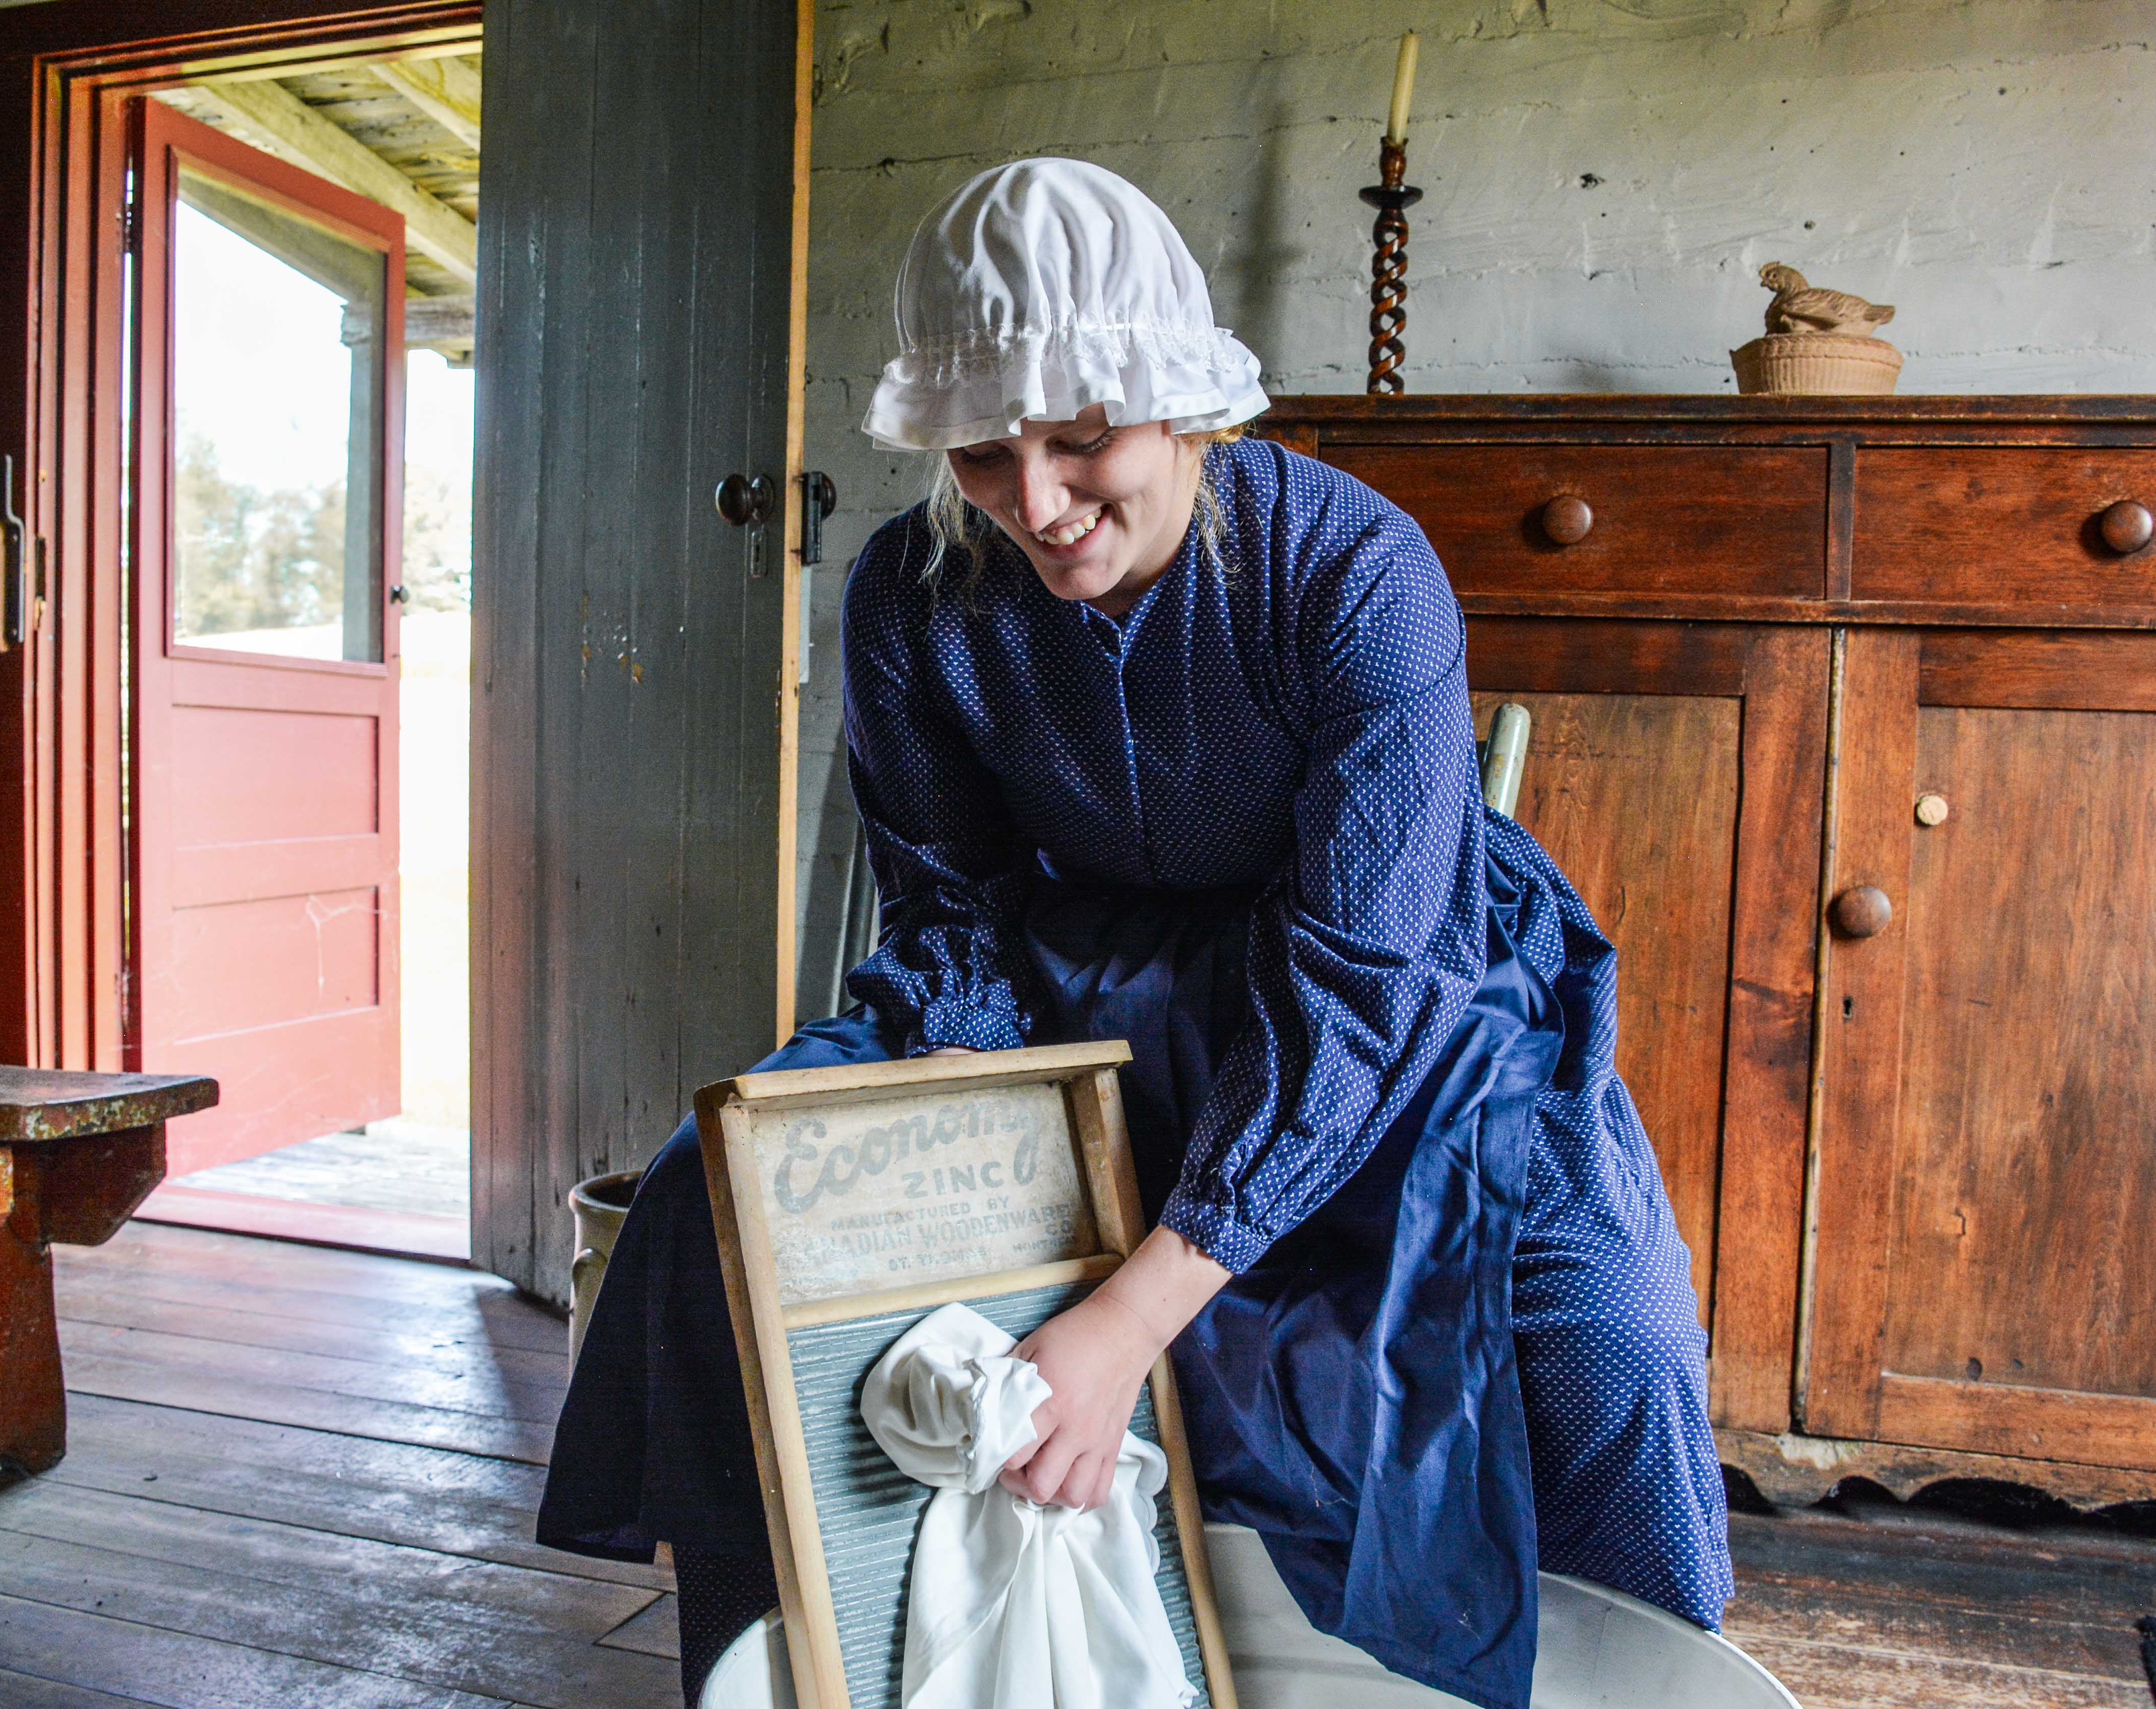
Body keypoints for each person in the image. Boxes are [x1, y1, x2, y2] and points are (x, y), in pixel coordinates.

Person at [538, 157, 1731, 1709]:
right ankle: (803, 1670)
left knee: (1604, 1325)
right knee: (722, 1194)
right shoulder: (911, 591)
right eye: (980, 447)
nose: (1034, 501)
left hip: (1385, 990)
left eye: (1083, 436)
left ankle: (1632, 1682)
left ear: (1184, 406)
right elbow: (950, 909)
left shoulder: (1355, 575)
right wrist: (955, 1169)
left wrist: (1125, 1312)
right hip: (1060, 983)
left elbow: (1366, 981)